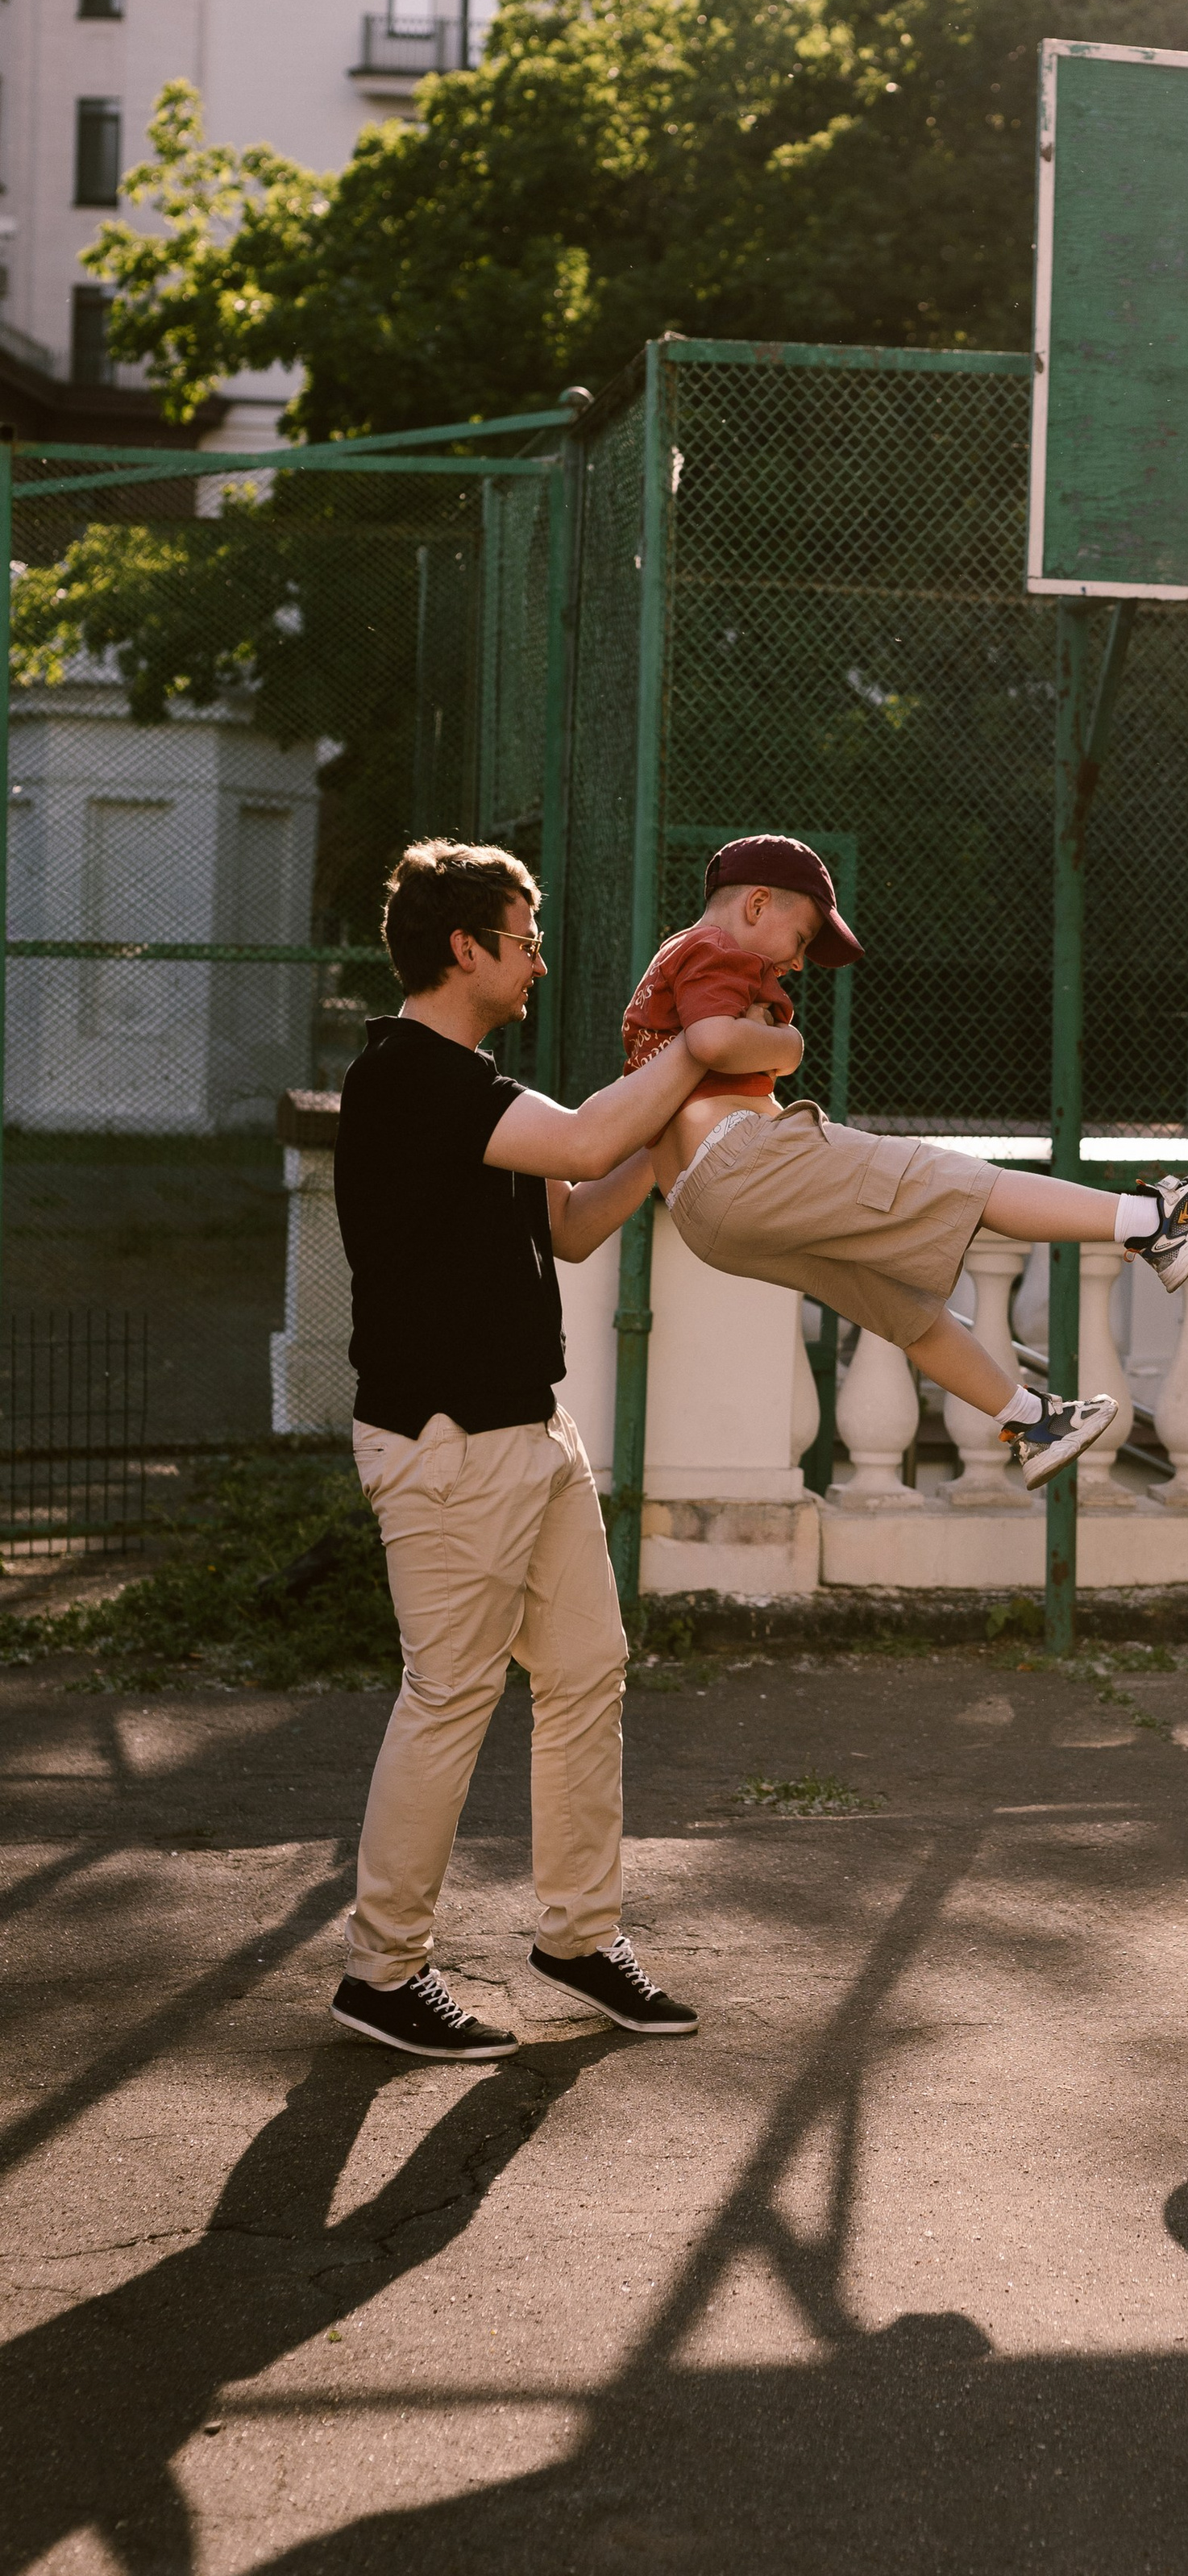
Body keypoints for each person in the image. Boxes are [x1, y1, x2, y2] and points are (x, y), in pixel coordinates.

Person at [330, 839, 706, 2062]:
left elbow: (583, 1218)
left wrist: (675, 1133)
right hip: (445, 1448)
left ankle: (578, 1941)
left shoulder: (482, 1091)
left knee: (587, 1670)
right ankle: (382, 1973)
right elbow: (589, 1141)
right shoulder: (408, 1079)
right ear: (464, 948)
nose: (541, 961)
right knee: (449, 1697)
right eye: (525, 937)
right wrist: (693, 1052)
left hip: (529, 1432)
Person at [624, 834, 1188, 1488]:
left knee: (899, 1306)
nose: (800, 964)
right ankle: (1155, 1220)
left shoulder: (664, 978)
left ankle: (1034, 1421)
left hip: (704, 1214)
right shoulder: (711, 948)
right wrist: (790, 1041)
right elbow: (715, 1040)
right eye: (803, 939)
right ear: (756, 904)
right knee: (951, 1180)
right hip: (741, 1161)